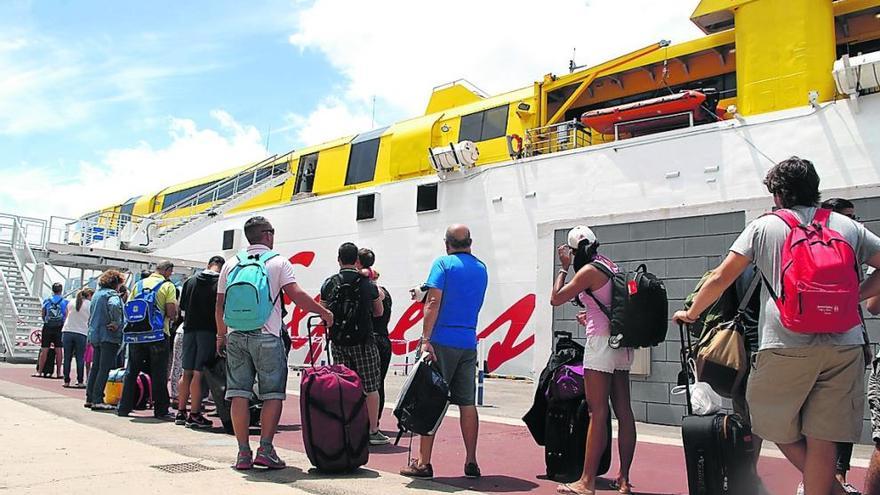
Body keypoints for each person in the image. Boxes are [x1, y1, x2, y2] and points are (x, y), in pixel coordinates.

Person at [674, 157, 880, 495]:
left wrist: (691, 313)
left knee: (763, 415)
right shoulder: (847, 227)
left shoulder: (765, 226)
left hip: (786, 343)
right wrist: (852, 298)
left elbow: (721, 277)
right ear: (815, 190)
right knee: (823, 436)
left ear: (779, 195)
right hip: (845, 343)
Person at [215, 216, 332, 470]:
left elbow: (219, 304)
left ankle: (243, 454)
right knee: (272, 394)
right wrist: (323, 312)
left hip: (235, 335)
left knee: (238, 394)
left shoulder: (231, 263)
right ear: (267, 235)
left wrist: (221, 335)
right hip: (267, 334)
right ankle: (265, 450)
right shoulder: (278, 262)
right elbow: (297, 296)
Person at [548, 226, 637, 495]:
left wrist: (563, 268)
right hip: (622, 343)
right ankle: (623, 478)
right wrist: (589, 316)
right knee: (624, 411)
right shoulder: (611, 266)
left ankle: (586, 482)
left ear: (576, 251)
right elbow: (609, 304)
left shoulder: (587, 271)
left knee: (596, 411)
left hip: (600, 344)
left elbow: (556, 298)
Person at [400, 224, 488, 480]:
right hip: (467, 341)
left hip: (441, 340)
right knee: (468, 403)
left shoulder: (443, 264)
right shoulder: (482, 268)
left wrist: (425, 339)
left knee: (431, 398)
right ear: (470, 242)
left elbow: (433, 301)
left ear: (446, 243)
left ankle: (424, 463)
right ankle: (471, 460)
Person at [321, 243, 389, 446]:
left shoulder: (329, 283)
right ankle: (373, 431)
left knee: (344, 385)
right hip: (364, 342)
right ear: (356, 260)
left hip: (339, 342)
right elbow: (379, 312)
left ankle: (346, 426)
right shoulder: (367, 283)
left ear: (339, 259)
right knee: (371, 386)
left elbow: (324, 313)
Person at [820, 197, 864, 495]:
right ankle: (822, 479)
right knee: (823, 419)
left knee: (844, 416)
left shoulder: (853, 248)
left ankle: (836, 477)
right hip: (825, 341)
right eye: (847, 216)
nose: (853, 221)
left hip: (851, 339)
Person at [117, 261, 177, 419]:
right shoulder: (167, 286)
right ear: (168, 270)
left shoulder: (139, 284)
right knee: (159, 373)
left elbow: (129, 305)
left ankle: (124, 407)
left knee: (131, 371)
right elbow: (171, 312)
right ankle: (161, 410)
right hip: (158, 335)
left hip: (137, 335)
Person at [175, 255, 225, 428]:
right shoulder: (220, 282)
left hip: (188, 329)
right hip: (208, 331)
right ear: (221, 267)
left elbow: (182, 308)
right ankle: (194, 414)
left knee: (186, 371)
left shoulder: (190, 281)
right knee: (199, 373)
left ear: (209, 264)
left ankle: (181, 411)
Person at [358, 248, 393, 419]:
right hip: (384, 339)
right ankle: (375, 421)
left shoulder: (363, 290)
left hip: (368, 340)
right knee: (379, 385)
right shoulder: (384, 291)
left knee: (364, 385)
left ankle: (364, 422)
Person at [85, 270, 125, 410]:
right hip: (108, 335)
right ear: (116, 283)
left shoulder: (97, 295)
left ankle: (90, 397)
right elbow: (114, 305)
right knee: (104, 368)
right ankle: (97, 399)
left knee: (96, 367)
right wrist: (116, 322)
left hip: (95, 334)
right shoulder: (112, 295)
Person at [61, 287, 94, 388]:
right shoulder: (90, 305)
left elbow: (66, 315)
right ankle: (80, 381)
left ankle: (66, 380)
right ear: (89, 295)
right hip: (81, 332)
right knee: (80, 358)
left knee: (67, 358)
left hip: (67, 330)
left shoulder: (71, 302)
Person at [37, 282, 68, 378]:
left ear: (52, 290)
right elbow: (66, 315)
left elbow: (43, 313)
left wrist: (45, 321)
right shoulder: (64, 301)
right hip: (59, 327)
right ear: (61, 290)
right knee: (59, 350)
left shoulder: (47, 300)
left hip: (48, 327)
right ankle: (58, 373)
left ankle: (40, 371)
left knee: (44, 349)